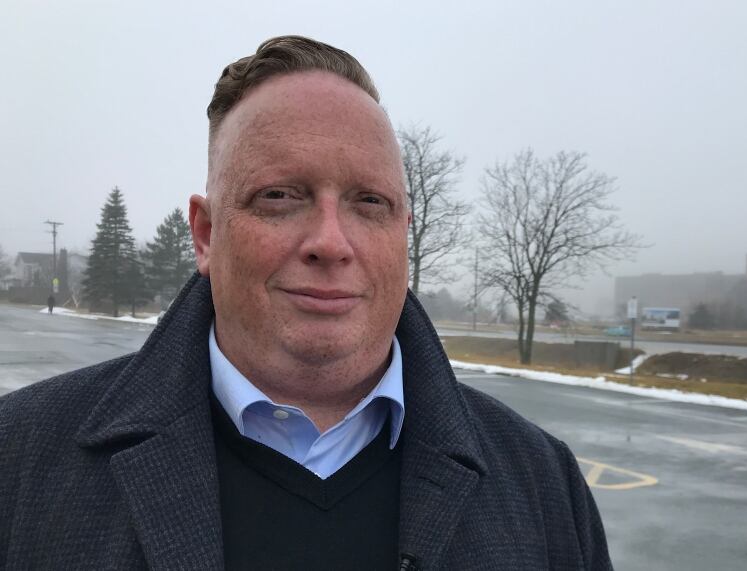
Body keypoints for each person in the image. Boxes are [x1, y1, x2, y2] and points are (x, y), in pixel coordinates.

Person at [0, 36, 612, 570]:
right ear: (206, 234)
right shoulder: (19, 459)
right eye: (280, 196)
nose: (329, 242)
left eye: (370, 202)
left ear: (404, 232)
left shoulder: (541, 483)